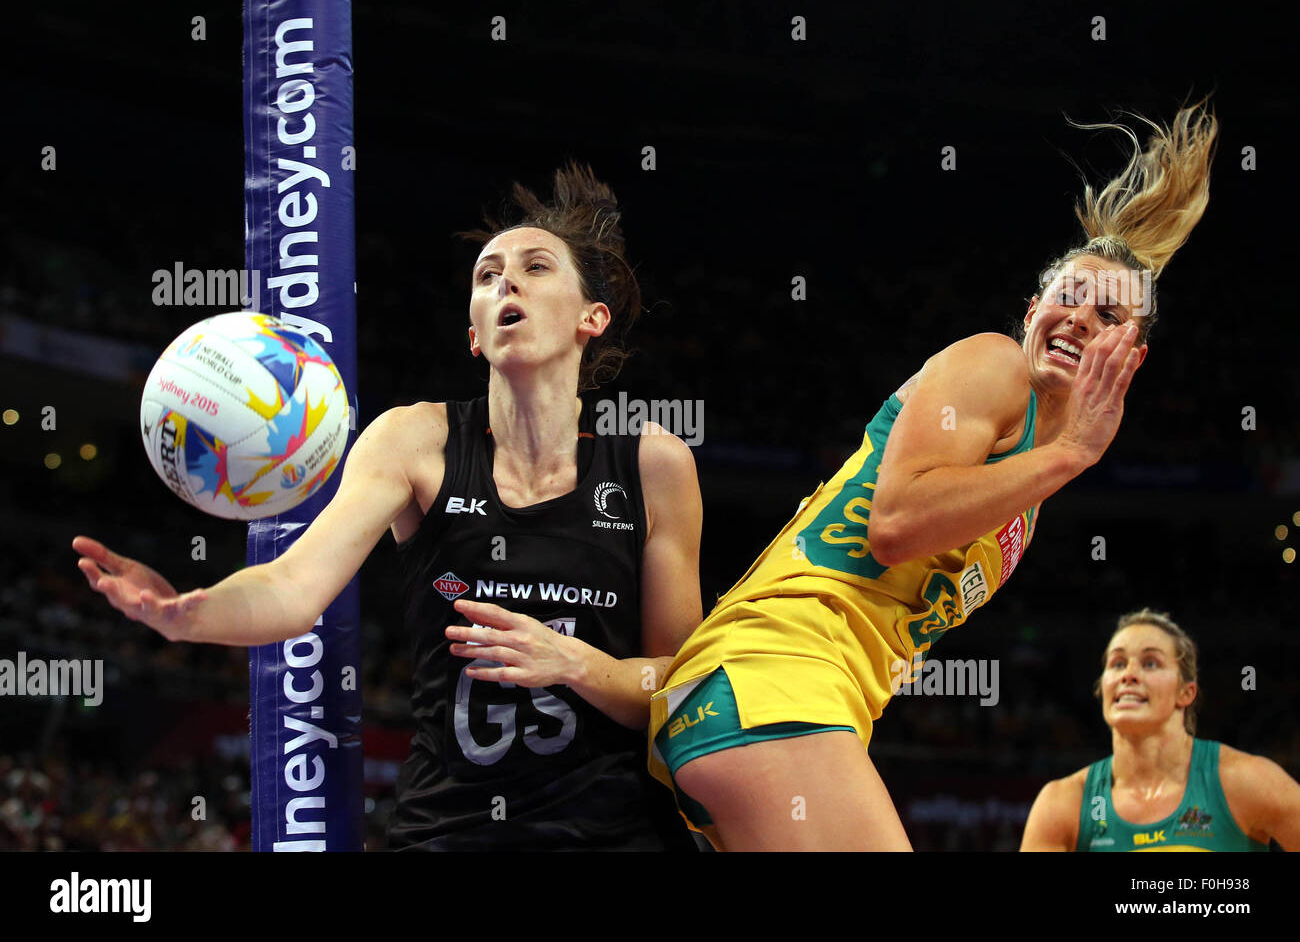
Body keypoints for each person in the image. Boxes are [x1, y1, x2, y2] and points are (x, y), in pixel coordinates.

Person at [74, 163, 704, 851]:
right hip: (446, 831)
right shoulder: (415, 441)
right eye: (487, 276)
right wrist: (184, 614)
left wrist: (574, 662)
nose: (505, 283)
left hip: (613, 834)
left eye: (534, 267)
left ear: (593, 317)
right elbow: (291, 588)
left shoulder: (653, 464)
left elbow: (678, 682)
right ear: (475, 332)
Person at [647, 100, 1219, 850]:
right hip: (770, 681)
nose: (1080, 317)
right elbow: (896, 525)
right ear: (1031, 311)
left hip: (760, 705)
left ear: (1132, 359)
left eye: (1110, 316)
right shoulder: (997, 365)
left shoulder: (1028, 492)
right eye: (1068, 296)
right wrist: (1070, 454)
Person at [1020, 609, 1300, 851]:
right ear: (1102, 688)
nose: (1128, 675)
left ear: (1186, 692)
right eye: (1117, 663)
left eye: (1150, 662)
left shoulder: (1245, 781)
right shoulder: (1064, 802)